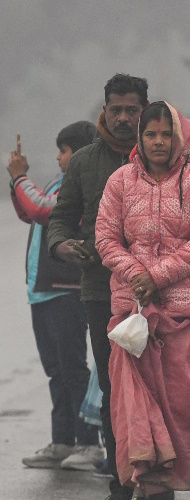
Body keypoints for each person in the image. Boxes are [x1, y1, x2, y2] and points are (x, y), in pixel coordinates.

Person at [95, 101, 190, 500]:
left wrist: (158, 275)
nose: (158, 142)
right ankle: (143, 487)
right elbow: (105, 239)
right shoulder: (120, 181)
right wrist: (138, 275)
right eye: (150, 134)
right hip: (135, 312)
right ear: (140, 138)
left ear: (178, 137)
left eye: (166, 134)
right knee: (138, 403)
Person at [47, 73, 149, 500]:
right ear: (104, 110)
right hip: (100, 291)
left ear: (145, 111)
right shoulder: (84, 162)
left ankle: (163, 480)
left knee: (161, 387)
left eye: (132, 110)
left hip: (157, 289)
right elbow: (61, 217)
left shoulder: (163, 156)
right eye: (116, 109)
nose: (123, 118)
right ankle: (121, 484)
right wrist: (60, 244)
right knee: (113, 390)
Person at [9, 121, 101, 470]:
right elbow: (27, 212)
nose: (58, 157)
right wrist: (16, 183)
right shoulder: (57, 182)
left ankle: (89, 444)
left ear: (79, 154)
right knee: (56, 370)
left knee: (73, 368)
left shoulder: (76, 186)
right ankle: (63, 440)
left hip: (66, 290)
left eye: (63, 151)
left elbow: (41, 208)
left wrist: (20, 177)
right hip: (45, 290)